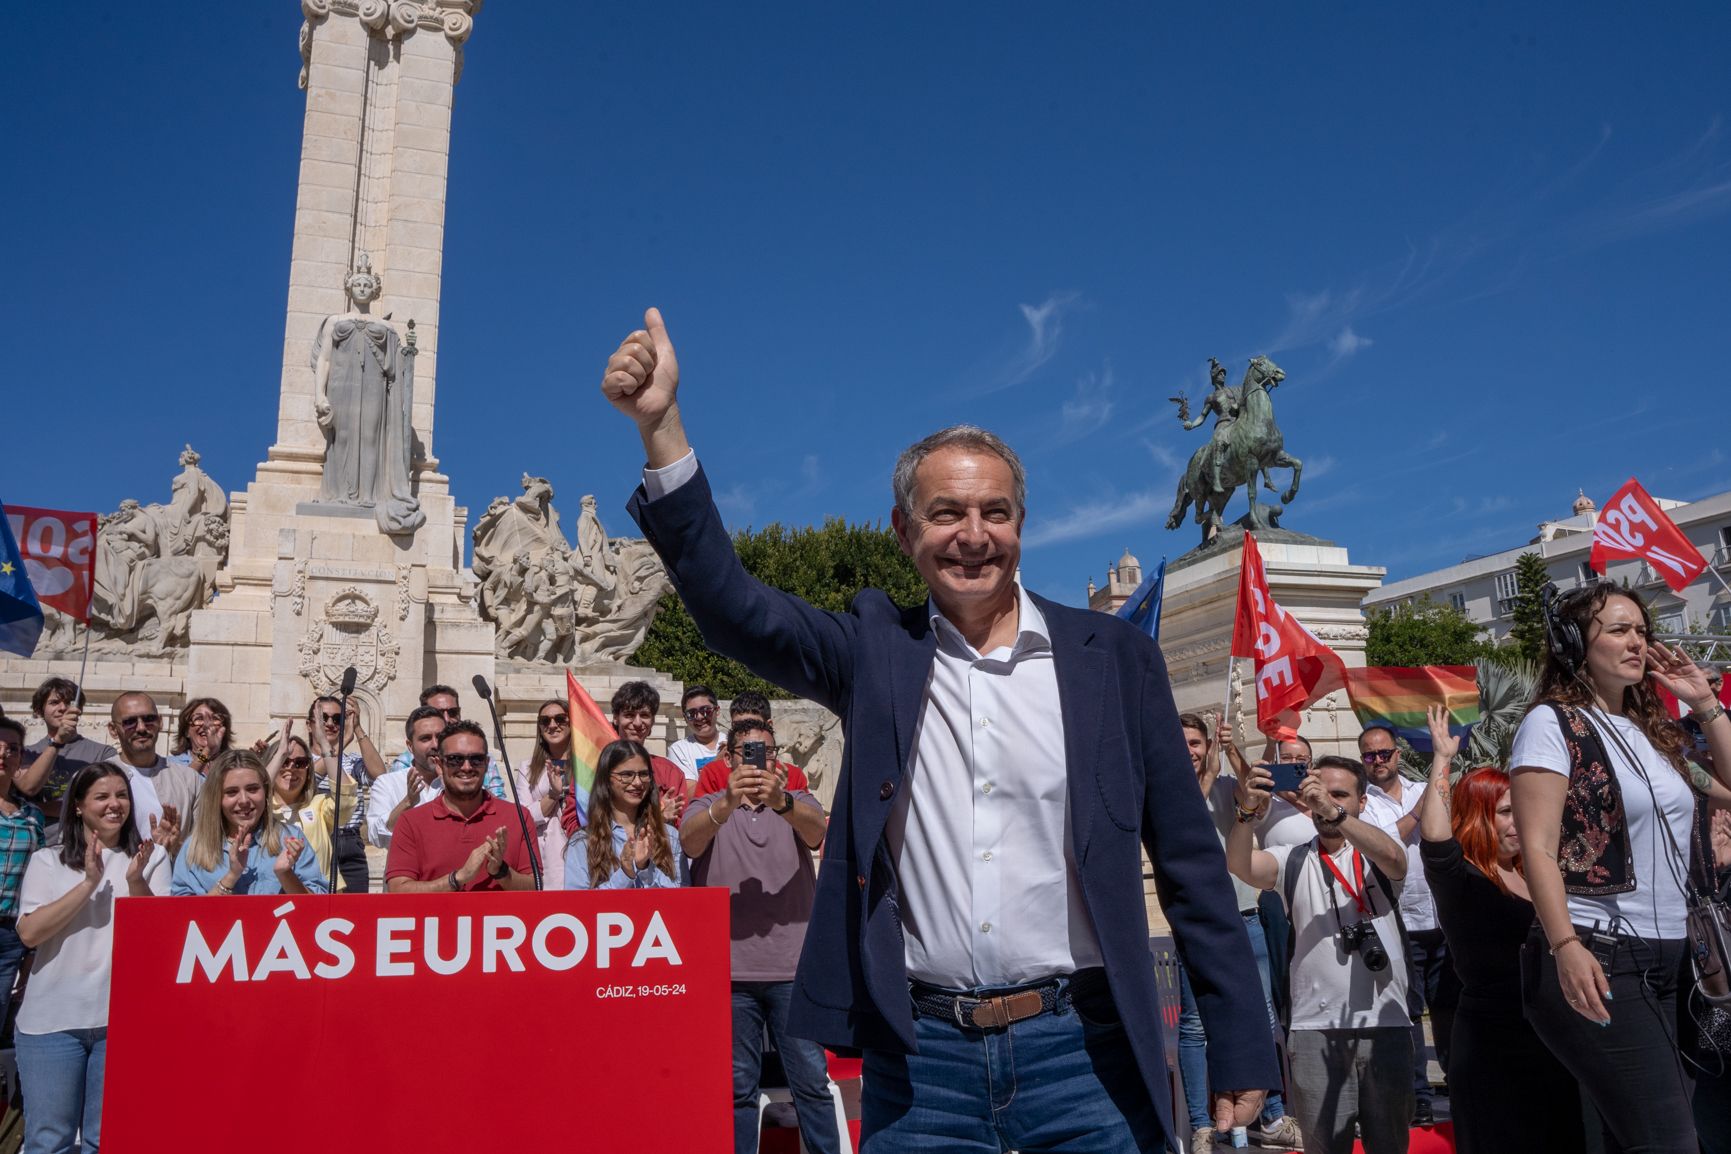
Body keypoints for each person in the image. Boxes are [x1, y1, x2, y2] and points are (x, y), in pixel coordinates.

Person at [604, 310, 1275, 1153]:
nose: (972, 535)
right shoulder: (874, 654)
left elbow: (1188, 865)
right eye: (945, 512)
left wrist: (1242, 1043)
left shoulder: (1113, 660)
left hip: (1088, 1057)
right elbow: (733, 608)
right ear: (903, 531)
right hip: (922, 1069)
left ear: (1022, 525)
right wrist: (661, 428)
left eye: (995, 511)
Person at [1509, 581, 1731, 1152]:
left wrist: (1704, 705)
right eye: (1618, 629)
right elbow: (1537, 848)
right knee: (1668, 1140)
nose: (1637, 642)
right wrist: (1565, 946)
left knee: (1638, 1135)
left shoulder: (1654, 735)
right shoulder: (1551, 725)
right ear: (1572, 644)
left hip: (1676, 957)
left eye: (1641, 630)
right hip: (1599, 951)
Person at [1415, 705, 1581, 1154]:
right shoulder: (1461, 877)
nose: (1518, 822)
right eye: (1505, 812)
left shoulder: (1538, 873)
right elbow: (1433, 834)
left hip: (1553, 1034)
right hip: (1491, 1040)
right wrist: (1443, 758)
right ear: (1478, 815)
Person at [1226, 756, 1413, 1154]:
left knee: (1390, 1144)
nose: (1325, 803)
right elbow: (1240, 864)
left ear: (1363, 802)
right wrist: (1245, 812)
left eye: (1340, 794)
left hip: (1386, 1023)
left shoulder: (1375, 851)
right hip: (1314, 1028)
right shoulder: (1292, 857)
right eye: (1319, 794)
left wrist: (1335, 813)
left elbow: (1396, 860)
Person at [682, 719, 835, 1154]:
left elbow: (817, 832)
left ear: (776, 758)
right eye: (748, 752)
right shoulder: (708, 804)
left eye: (766, 752)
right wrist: (728, 801)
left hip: (792, 971)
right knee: (737, 1090)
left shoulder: (796, 799)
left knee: (811, 1085)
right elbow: (690, 843)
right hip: (729, 975)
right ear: (728, 757)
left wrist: (782, 801)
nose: (758, 760)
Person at [16, 762, 170, 1154]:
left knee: (107, 1141)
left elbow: (160, 937)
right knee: (49, 1142)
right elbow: (31, 932)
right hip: (51, 1024)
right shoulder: (47, 861)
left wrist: (135, 881)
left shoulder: (150, 860)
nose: (114, 805)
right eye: (102, 796)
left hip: (121, 1023)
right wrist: (89, 882)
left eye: (121, 795)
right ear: (79, 806)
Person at [1173, 713, 1302, 1152]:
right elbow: (1180, 823)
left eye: (1196, 742)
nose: (1189, 750)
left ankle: (1273, 1115)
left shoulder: (1228, 784)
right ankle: (1202, 1125)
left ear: (1206, 745)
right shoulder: (1166, 789)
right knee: (1194, 1026)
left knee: (1263, 1015)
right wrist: (1207, 774)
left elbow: (1258, 798)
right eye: (1182, 742)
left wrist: (1231, 752)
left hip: (1244, 916)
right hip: (1195, 925)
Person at [1357, 721, 1454, 1126]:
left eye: (1384, 753)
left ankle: (1459, 1083)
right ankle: (1419, 1100)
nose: (1378, 761)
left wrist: (1439, 766)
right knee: (1410, 1014)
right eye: (1369, 755)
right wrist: (1419, 812)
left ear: (1398, 754)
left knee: (1449, 1008)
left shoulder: (1421, 788)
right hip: (1402, 921)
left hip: (1443, 917)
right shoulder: (1365, 805)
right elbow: (1386, 845)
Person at [385, 721, 538, 893]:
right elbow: (398, 891)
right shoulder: (410, 821)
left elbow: (535, 887)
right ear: (439, 765)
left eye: (476, 759)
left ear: (486, 764)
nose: (466, 767)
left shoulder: (518, 817)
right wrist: (458, 878)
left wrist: (501, 871)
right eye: (455, 760)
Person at [170, 750, 326, 896]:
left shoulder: (291, 838)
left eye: (252, 789)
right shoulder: (194, 848)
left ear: (265, 792)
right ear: (216, 798)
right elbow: (184, 915)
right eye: (232, 792)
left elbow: (316, 909)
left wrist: (286, 874)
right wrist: (231, 877)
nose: (244, 800)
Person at [562, 739, 684, 889]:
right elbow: (577, 905)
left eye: (644, 774)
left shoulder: (670, 835)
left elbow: (682, 896)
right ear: (606, 779)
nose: (638, 782)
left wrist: (645, 868)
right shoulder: (583, 841)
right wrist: (625, 874)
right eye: (627, 775)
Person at [307, 695, 389, 895]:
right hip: (316, 840)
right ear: (310, 725)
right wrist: (340, 744)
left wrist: (358, 729)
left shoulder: (352, 760)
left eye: (338, 719)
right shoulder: (299, 760)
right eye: (323, 717)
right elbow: (307, 785)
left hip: (351, 843)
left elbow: (379, 775)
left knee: (355, 912)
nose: (330, 723)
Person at [0, 718, 46, 1031]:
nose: (4, 754)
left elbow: (38, 880)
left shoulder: (32, 815)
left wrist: (31, 951)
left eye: (13, 749)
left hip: (9, 935)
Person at [16, 678, 112, 828]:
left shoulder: (103, 754)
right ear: (39, 710)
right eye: (54, 703)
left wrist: (39, 806)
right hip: (41, 844)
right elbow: (28, 787)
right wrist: (58, 740)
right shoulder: (25, 753)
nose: (62, 708)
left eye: (69, 702)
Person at [266, 721, 350, 888]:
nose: (291, 768)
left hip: (316, 897)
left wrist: (326, 748)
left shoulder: (319, 805)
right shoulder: (260, 810)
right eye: (284, 761)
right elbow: (256, 792)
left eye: (300, 763)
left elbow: (346, 802)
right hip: (271, 898)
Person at [105, 692, 200, 839]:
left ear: (160, 722)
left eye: (149, 719)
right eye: (130, 722)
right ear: (113, 729)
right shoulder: (96, 779)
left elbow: (202, 844)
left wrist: (175, 848)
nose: (141, 728)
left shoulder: (189, 780)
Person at [390, 685, 507, 798]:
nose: (447, 719)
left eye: (452, 712)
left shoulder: (479, 757)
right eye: (439, 713)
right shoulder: (405, 764)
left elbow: (499, 804)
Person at [367, 707, 447, 852]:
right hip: (407, 873)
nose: (435, 745)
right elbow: (376, 837)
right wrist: (408, 802)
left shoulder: (463, 780)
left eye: (440, 737)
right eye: (425, 738)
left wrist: (449, 784)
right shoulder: (387, 783)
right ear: (410, 746)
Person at [612, 680, 690, 821]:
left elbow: (683, 824)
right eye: (629, 715)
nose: (637, 723)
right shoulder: (593, 765)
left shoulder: (670, 773)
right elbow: (575, 818)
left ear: (652, 721)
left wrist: (662, 822)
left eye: (644, 715)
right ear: (616, 718)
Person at [668, 685, 725, 783]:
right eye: (691, 713)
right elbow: (689, 793)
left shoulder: (733, 742)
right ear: (685, 718)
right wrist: (718, 761)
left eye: (705, 710)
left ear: (717, 710)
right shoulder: (679, 750)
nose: (699, 717)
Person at [168, 696, 232, 777]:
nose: (207, 725)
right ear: (186, 731)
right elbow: (183, 785)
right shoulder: (171, 764)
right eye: (199, 718)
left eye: (215, 718)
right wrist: (208, 751)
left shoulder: (235, 763)